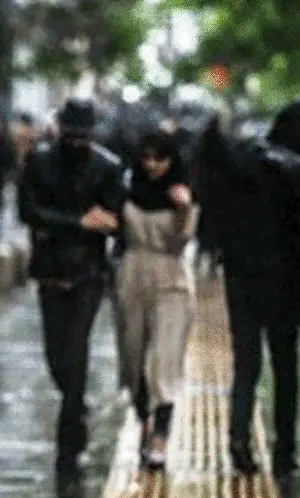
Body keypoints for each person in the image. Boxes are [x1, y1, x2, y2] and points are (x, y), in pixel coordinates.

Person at [195, 98, 300, 475]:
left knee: (246, 363)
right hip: (285, 279)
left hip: (240, 275)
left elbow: (216, 207)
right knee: (285, 365)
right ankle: (284, 450)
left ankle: (238, 441)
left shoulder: (243, 157)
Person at [19, 99, 126, 473]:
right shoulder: (39, 161)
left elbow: (115, 219)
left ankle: (69, 438)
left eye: (83, 136)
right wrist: (79, 222)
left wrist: (101, 225)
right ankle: (75, 404)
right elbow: (28, 211)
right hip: (50, 268)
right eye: (71, 134)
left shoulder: (108, 167)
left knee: (75, 349)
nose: (76, 142)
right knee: (55, 354)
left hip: (88, 272)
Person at [116, 130, 199, 471]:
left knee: (164, 362)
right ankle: (143, 421)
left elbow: (182, 241)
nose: (151, 165)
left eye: (159, 158)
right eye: (146, 157)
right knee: (133, 358)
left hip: (172, 279)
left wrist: (182, 211)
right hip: (131, 275)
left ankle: (162, 436)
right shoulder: (125, 189)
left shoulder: (184, 191)